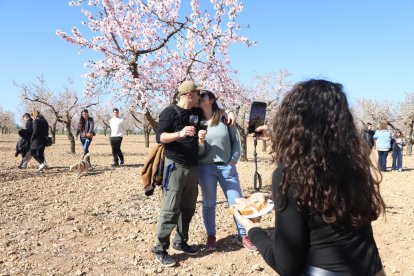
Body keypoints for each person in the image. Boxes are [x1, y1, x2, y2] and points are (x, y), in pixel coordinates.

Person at [232, 80, 386, 275]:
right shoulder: (355, 164)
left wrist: (253, 230)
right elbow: (318, 147)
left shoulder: (290, 175)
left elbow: (286, 266)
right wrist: (279, 135)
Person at [152, 80, 207, 267]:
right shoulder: (169, 112)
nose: (200, 96)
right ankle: (160, 248)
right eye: (198, 93)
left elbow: (215, 109)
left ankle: (180, 241)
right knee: (170, 208)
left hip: (193, 167)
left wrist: (200, 136)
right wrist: (180, 133)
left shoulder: (196, 113)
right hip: (174, 166)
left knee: (188, 207)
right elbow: (160, 137)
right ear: (189, 94)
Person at [197, 90, 256, 252]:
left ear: (212, 99)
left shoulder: (224, 118)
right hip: (205, 168)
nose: (200, 98)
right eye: (198, 96)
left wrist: (233, 160)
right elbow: (198, 152)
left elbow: (236, 141)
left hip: (227, 167)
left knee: (236, 201)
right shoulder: (196, 121)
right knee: (209, 204)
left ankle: (243, 235)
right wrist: (200, 141)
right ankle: (211, 236)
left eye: (203, 96)